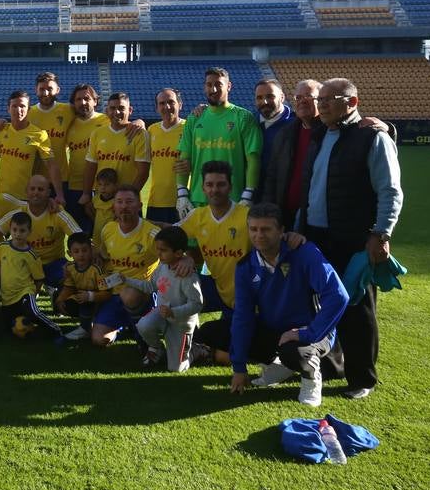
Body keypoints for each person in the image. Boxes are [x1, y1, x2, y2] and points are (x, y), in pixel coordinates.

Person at [299, 78, 403, 399]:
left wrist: (381, 233)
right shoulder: (319, 134)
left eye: (332, 98)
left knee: (358, 308)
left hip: (354, 237)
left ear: (353, 103)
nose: (324, 104)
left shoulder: (372, 137)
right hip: (316, 237)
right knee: (322, 306)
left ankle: (362, 379)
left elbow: (390, 191)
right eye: (322, 98)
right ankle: (331, 364)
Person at [230, 203, 349, 407]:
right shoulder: (246, 266)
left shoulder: (304, 253)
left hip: (311, 331)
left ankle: (311, 378)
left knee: (294, 351)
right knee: (219, 331)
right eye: (254, 229)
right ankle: (282, 367)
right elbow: (243, 315)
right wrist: (239, 368)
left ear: (282, 231)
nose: (259, 235)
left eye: (266, 229)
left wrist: (308, 334)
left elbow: (338, 296)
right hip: (276, 330)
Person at [178, 160, 249, 367]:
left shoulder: (246, 216)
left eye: (220, 185)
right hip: (218, 290)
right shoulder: (198, 216)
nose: (214, 190)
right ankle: (186, 339)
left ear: (230, 186)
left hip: (248, 299)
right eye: (209, 185)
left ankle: (205, 350)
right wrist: (188, 256)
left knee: (231, 354)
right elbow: (171, 235)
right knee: (180, 283)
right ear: (202, 188)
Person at [175, 67, 262, 219]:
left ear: (229, 86)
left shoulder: (243, 117)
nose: (213, 89)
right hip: (198, 200)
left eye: (218, 84)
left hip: (233, 200)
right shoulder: (194, 119)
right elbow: (183, 160)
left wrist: (247, 195)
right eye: (209, 85)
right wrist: (182, 194)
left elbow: (253, 160)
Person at [0, 174, 79, 289]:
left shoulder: (57, 212)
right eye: (32, 189)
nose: (36, 192)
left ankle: (58, 296)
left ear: (48, 192)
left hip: (53, 263)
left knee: (72, 275)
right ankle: (10, 295)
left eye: (40, 189)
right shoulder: (18, 213)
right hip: (24, 262)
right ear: (26, 191)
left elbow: (78, 236)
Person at [90, 185, 161, 348]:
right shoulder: (108, 229)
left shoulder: (152, 234)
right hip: (115, 292)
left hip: (141, 294)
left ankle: (143, 332)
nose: (124, 206)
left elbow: (171, 260)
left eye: (129, 201)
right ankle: (125, 325)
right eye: (119, 202)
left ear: (139, 205)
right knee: (99, 339)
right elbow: (103, 254)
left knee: (129, 295)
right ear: (113, 206)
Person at [136, 226, 204, 371]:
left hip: (181, 322)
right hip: (162, 314)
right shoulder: (162, 266)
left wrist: (174, 312)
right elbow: (151, 286)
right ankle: (156, 348)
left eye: (163, 250)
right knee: (143, 325)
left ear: (179, 253)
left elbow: (197, 304)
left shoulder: (188, 275)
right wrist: (126, 280)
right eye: (158, 249)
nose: (158, 254)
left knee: (176, 368)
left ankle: (195, 350)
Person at [259, 79, 321, 229]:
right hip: (285, 214)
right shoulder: (286, 134)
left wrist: (388, 128)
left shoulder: (331, 132)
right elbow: (272, 177)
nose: (302, 101)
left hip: (317, 218)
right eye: (298, 98)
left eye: (308, 96)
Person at [82, 92, 150, 222]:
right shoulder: (97, 133)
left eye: (121, 108)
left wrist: (127, 201)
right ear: (107, 110)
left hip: (127, 205)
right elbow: (91, 167)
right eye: (112, 108)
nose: (116, 112)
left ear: (130, 110)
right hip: (102, 201)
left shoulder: (140, 134)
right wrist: (86, 195)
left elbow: (143, 173)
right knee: (100, 238)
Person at [0, 211, 48, 337]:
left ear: (29, 232)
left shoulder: (31, 255)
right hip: (8, 297)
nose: (18, 234)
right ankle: (28, 328)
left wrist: (34, 295)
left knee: (33, 313)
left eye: (22, 231)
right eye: (15, 230)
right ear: (10, 230)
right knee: (9, 328)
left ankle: (54, 329)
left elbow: (39, 279)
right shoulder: (3, 246)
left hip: (25, 292)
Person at [0, 90, 59, 203]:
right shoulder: (1, 130)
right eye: (14, 106)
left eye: (22, 106)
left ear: (29, 109)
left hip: (25, 197)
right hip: (1, 195)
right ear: (8, 108)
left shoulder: (39, 134)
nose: (18, 110)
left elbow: (51, 165)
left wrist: (60, 195)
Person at [63, 84, 107, 233]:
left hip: (100, 188)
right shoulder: (69, 124)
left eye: (87, 98)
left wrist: (138, 122)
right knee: (78, 235)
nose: (82, 102)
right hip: (74, 187)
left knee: (101, 232)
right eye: (78, 99)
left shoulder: (106, 120)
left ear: (95, 101)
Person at [56, 232, 110, 341]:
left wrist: (90, 296)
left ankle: (85, 328)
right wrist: (60, 300)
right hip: (82, 296)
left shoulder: (97, 270)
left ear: (91, 251)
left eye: (84, 250)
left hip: (98, 301)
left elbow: (107, 294)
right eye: (76, 251)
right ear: (69, 253)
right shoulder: (70, 268)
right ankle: (87, 324)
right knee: (62, 301)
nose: (81, 254)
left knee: (85, 302)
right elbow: (69, 287)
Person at [27, 71, 74, 196]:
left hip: (62, 177)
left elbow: (93, 117)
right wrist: (1, 122)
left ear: (58, 90)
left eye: (50, 89)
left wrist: (133, 122)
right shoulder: (28, 113)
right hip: (36, 179)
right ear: (36, 90)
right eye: (42, 89)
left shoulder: (68, 110)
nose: (46, 93)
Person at [145, 88, 186, 224]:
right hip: (156, 201)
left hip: (182, 199)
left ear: (180, 104)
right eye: (162, 103)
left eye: (171, 102)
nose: (167, 107)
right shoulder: (151, 130)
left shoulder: (189, 128)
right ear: (156, 108)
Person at [254, 79, 293, 197]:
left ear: (282, 97)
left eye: (270, 96)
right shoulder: (249, 122)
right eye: (259, 98)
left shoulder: (297, 124)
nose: (264, 102)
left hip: (283, 196)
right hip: (252, 196)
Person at [89, 168, 120, 250]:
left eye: (106, 185)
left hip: (112, 236)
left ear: (115, 185)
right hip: (97, 235)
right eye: (100, 184)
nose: (103, 188)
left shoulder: (117, 201)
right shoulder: (96, 199)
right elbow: (90, 210)